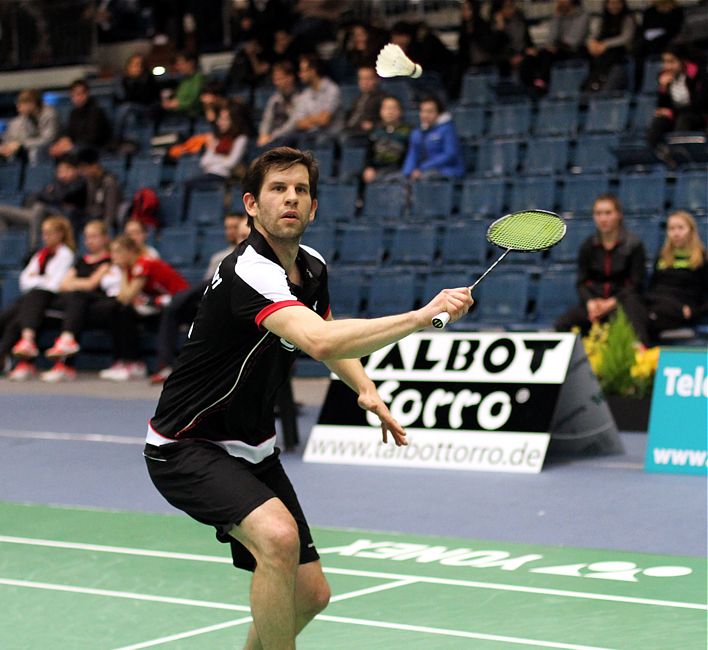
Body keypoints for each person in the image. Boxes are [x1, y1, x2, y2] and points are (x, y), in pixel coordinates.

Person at [143, 146, 473, 649]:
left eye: (301, 190)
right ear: (252, 205)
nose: (291, 198)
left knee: (311, 594)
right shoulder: (249, 271)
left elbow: (325, 330)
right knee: (276, 539)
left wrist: (364, 388)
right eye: (278, 189)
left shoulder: (313, 267)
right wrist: (419, 317)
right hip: (187, 444)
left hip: (251, 447)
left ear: (314, 208)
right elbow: (316, 341)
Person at [149, 213, 251, 384]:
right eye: (228, 228)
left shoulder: (250, 256)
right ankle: (165, 365)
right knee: (173, 310)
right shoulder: (218, 257)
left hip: (233, 305)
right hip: (210, 301)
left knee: (180, 300)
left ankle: (175, 299)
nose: (231, 232)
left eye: (235, 228)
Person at [555, 193, 649, 345]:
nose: (603, 218)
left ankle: (640, 358)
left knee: (634, 312)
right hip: (595, 305)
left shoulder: (634, 245)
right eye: (598, 213)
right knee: (563, 323)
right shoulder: (588, 246)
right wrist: (590, 303)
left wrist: (611, 303)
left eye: (608, 213)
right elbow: (582, 282)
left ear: (619, 215)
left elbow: (636, 283)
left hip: (622, 303)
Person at [99, 234, 189, 381]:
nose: (113, 257)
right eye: (112, 252)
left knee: (124, 310)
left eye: (117, 252)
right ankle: (122, 361)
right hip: (159, 306)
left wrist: (121, 271)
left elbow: (126, 298)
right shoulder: (130, 268)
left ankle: (135, 364)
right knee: (117, 309)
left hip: (180, 307)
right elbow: (123, 298)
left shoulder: (144, 263)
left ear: (130, 251)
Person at [38, 220, 118, 382]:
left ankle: (66, 345)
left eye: (94, 236)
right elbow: (62, 285)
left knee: (78, 299)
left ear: (105, 238)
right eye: (87, 237)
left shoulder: (110, 260)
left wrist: (76, 284)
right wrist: (81, 284)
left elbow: (91, 285)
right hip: (79, 307)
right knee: (75, 305)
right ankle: (64, 362)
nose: (90, 241)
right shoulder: (81, 260)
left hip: (98, 306)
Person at [0, 216, 76, 380]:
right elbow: (24, 280)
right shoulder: (40, 255)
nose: (45, 237)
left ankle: (21, 345)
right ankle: (10, 356)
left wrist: (36, 280)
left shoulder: (66, 255)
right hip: (34, 302)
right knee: (15, 317)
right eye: (43, 233)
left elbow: (54, 284)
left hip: (54, 303)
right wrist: (41, 280)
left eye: (49, 233)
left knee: (27, 303)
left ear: (60, 234)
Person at [0, 153, 87, 249]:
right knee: (1, 210)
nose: (62, 174)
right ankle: (3, 249)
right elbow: (35, 196)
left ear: (75, 170)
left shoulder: (80, 182)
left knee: (39, 207)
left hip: (61, 217)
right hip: (39, 217)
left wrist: (50, 195)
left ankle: (34, 248)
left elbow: (63, 196)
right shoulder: (56, 183)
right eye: (59, 171)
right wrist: (50, 195)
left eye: (66, 170)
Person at [645, 210, 708, 342]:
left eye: (680, 228)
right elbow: (652, 287)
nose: (676, 233)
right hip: (656, 303)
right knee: (630, 302)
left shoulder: (702, 258)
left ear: (691, 230)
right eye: (671, 228)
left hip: (680, 307)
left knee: (642, 318)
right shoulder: (661, 256)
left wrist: (694, 312)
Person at [646, 46, 708, 156]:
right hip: (677, 114)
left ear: (682, 61)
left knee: (684, 119)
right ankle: (654, 155)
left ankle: (677, 155)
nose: (667, 66)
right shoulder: (664, 77)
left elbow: (700, 104)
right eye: (665, 62)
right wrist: (663, 88)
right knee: (658, 121)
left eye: (671, 62)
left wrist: (673, 112)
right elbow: (663, 106)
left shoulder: (698, 75)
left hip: (697, 115)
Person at [519, 0, 590, 94]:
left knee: (547, 55)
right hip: (555, 49)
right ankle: (530, 85)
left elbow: (574, 40)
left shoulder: (582, 16)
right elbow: (550, 39)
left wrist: (556, 46)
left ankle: (542, 83)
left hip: (573, 50)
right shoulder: (558, 15)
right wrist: (557, 17)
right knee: (530, 57)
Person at [275, 53, 342, 144]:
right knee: (287, 140)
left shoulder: (332, 90)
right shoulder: (305, 94)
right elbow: (299, 123)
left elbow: (324, 120)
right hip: (310, 135)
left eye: (303, 71)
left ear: (313, 71)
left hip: (330, 137)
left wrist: (309, 119)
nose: (300, 74)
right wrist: (317, 118)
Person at [186, 102, 251, 190]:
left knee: (191, 187)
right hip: (209, 175)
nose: (219, 122)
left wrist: (215, 160)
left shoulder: (240, 139)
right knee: (186, 185)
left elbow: (231, 163)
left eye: (225, 119)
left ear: (235, 120)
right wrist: (222, 159)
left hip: (225, 178)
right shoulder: (217, 138)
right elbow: (204, 161)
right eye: (220, 118)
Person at [401, 96, 465, 181]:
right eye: (423, 111)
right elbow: (412, 154)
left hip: (447, 171)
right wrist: (407, 173)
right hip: (424, 171)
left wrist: (422, 167)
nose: (425, 115)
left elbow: (450, 154)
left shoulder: (447, 129)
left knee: (426, 177)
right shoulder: (416, 133)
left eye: (430, 111)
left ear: (439, 113)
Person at [49, 79, 113, 158]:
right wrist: (62, 141)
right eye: (73, 95)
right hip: (78, 144)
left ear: (86, 94)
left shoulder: (96, 111)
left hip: (96, 147)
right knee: (49, 149)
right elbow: (69, 132)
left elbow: (93, 137)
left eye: (79, 94)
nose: (76, 98)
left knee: (74, 150)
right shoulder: (73, 113)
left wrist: (71, 145)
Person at [582, 0, 636, 93]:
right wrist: (592, 43)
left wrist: (605, 45)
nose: (614, 6)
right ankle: (591, 84)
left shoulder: (628, 18)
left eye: (617, 3)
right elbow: (594, 35)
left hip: (620, 52)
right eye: (611, 3)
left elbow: (626, 38)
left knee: (612, 53)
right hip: (602, 52)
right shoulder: (603, 19)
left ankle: (600, 82)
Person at [633, 0, 684, 92]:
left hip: (668, 43)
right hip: (649, 44)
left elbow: (676, 30)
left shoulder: (677, 11)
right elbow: (645, 29)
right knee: (638, 55)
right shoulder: (650, 11)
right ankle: (640, 90)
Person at [0, 89, 59, 164]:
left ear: (32, 104)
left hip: (51, 147)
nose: (18, 108)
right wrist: (6, 147)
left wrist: (20, 144)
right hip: (31, 145)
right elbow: (16, 136)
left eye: (21, 104)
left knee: (34, 151)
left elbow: (47, 140)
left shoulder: (50, 114)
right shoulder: (24, 117)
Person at [362, 95, 412, 184]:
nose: (390, 112)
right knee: (348, 178)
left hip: (397, 168)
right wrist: (369, 167)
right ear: (381, 111)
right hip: (377, 168)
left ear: (400, 111)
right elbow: (369, 153)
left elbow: (409, 154)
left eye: (393, 108)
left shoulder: (408, 131)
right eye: (386, 108)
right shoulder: (375, 131)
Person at [114, 53, 160, 140]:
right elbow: (120, 98)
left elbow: (146, 99)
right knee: (130, 117)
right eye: (135, 65)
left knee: (126, 108)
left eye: (140, 65)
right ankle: (131, 144)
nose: (138, 68)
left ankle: (116, 138)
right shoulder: (123, 80)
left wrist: (137, 83)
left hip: (147, 109)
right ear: (128, 67)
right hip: (131, 111)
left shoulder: (149, 79)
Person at [76, 148, 123, 229]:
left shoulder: (109, 182)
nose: (83, 172)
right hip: (92, 217)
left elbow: (110, 211)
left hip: (104, 220)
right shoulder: (90, 181)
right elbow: (89, 205)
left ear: (94, 166)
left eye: (84, 168)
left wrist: (104, 228)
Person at [257, 61, 299, 148]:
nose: (276, 83)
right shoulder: (274, 98)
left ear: (290, 78)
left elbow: (293, 124)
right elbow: (266, 120)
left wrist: (272, 136)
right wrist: (263, 134)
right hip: (273, 140)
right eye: (275, 79)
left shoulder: (300, 97)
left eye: (280, 79)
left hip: (290, 139)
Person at [342, 66, 386, 139]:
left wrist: (373, 125)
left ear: (376, 80)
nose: (364, 82)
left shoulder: (382, 98)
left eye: (368, 79)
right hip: (350, 130)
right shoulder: (357, 98)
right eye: (361, 79)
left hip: (366, 133)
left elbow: (388, 119)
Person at [160, 51, 205, 120]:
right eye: (177, 64)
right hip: (179, 115)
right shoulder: (184, 80)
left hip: (193, 116)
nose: (178, 67)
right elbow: (178, 96)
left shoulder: (199, 78)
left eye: (181, 64)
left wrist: (178, 104)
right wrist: (169, 101)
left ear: (191, 63)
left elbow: (193, 100)